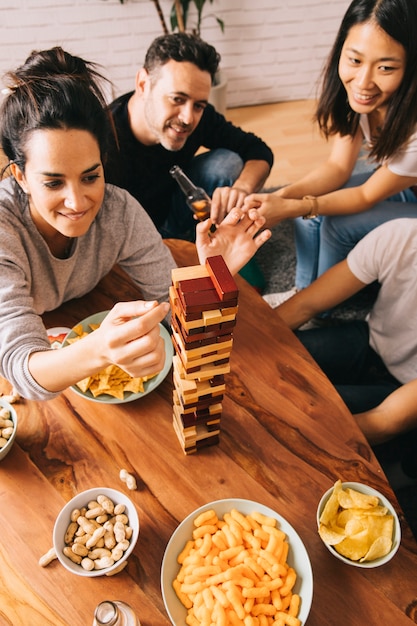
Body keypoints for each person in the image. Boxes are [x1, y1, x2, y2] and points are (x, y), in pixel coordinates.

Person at [0, 46, 270, 402]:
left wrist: (214, 273)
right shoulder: (6, 229)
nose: (78, 203)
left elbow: (173, 310)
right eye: (53, 183)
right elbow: (20, 367)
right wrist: (99, 351)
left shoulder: (119, 211)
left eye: (90, 176)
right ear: (20, 175)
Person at [243, 0, 417, 306]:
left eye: (386, 67)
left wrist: (292, 207)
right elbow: (338, 167)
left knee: (336, 223)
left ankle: (320, 309)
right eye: (355, 60)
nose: (363, 82)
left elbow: (365, 197)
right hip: (404, 188)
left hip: (401, 193)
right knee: (308, 213)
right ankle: (304, 292)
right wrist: (284, 197)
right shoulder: (356, 97)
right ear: (341, 51)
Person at [104, 33, 274, 289]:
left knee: (227, 163)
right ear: (143, 84)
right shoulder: (104, 140)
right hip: (129, 236)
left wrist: (240, 190)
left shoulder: (196, 115)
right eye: (177, 99)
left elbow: (259, 151)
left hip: (174, 209)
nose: (187, 118)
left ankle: (213, 234)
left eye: (198, 105)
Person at [275, 218, 417, 447]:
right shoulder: (404, 234)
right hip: (372, 340)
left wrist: (299, 436)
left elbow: (385, 421)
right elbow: (304, 305)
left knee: (303, 412)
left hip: (404, 392)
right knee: (268, 356)